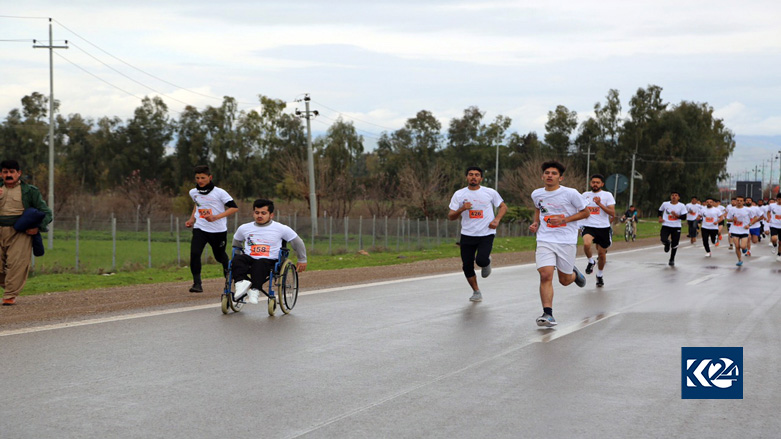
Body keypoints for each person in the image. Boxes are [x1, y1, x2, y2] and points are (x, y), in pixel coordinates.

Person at [529, 160, 589, 327]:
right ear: (542, 176)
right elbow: (538, 208)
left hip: (566, 240)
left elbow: (586, 212)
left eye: (554, 173)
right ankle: (548, 314)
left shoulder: (571, 193)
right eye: (547, 173)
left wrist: (564, 219)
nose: (550, 175)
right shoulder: (536, 194)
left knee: (564, 280)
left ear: (560, 178)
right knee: (545, 274)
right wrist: (536, 223)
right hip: (544, 239)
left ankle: (575, 275)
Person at [447, 166, 507, 302]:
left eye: (477, 175)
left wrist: (496, 220)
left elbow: (503, 206)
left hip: (486, 233)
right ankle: (476, 291)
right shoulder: (459, 194)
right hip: (467, 234)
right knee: (467, 265)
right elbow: (451, 216)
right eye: (470, 174)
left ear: (481, 178)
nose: (473, 177)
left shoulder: (490, 192)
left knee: (480, 260)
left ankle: (486, 262)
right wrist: (462, 208)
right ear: (466, 177)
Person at [231, 199, 307, 304]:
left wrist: (302, 259)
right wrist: (239, 253)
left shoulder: (281, 228)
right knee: (237, 259)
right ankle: (241, 283)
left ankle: (255, 290)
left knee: (260, 263)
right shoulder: (244, 228)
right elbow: (236, 243)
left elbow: (297, 242)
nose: (259, 216)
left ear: (271, 215)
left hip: (269, 260)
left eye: (263, 213)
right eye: (257, 213)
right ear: (253, 213)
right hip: (250, 258)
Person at [0, 160, 52, 306]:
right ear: (1, 174)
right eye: (5, 172)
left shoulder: (30, 191)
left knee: (16, 264)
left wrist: (38, 227)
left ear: (19, 173)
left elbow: (46, 212)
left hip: (20, 232)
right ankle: (11, 286)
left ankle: (9, 295)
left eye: (12, 172)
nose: (8, 175)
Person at [185, 165, 239, 293]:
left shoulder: (219, 192)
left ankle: (229, 275)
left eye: (203, 178)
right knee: (195, 254)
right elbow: (198, 205)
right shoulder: (193, 192)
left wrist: (216, 217)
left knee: (220, 257)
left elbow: (234, 208)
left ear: (210, 177)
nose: (200, 180)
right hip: (200, 228)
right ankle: (197, 284)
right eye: (197, 178)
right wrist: (192, 219)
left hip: (218, 231)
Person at [580, 174, 616, 287]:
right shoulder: (585, 195)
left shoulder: (607, 195)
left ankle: (599, 275)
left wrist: (599, 204)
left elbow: (612, 213)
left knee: (601, 254)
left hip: (603, 227)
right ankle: (591, 261)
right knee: (586, 244)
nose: (595, 184)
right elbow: (579, 209)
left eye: (597, 182)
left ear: (602, 184)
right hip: (588, 226)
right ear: (590, 183)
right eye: (593, 182)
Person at [658, 191, 689, 266]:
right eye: (672, 195)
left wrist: (676, 215)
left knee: (675, 244)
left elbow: (684, 217)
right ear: (670, 197)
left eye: (676, 195)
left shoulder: (682, 206)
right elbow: (660, 211)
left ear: (678, 197)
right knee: (663, 238)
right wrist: (660, 218)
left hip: (676, 226)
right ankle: (667, 243)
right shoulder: (665, 204)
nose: (674, 197)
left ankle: (672, 259)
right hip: (666, 225)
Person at [726, 195, 757, 266]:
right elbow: (728, 219)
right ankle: (740, 260)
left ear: (743, 202)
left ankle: (744, 249)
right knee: (737, 246)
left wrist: (749, 225)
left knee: (742, 246)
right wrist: (732, 219)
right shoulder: (732, 210)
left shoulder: (748, 210)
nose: (739, 202)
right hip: (734, 230)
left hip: (744, 230)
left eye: (741, 201)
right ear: (736, 201)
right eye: (738, 201)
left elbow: (755, 218)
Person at [767, 194, 781, 261]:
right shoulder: (772, 205)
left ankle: (779, 254)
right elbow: (768, 212)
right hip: (774, 225)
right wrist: (769, 218)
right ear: (776, 199)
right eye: (779, 199)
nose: (780, 201)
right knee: (774, 238)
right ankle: (774, 245)